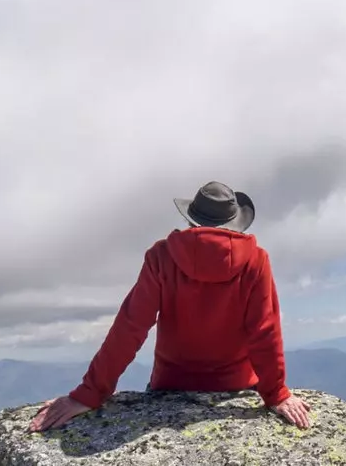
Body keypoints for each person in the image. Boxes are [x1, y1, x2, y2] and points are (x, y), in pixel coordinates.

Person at [29, 181, 312, 432]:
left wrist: (89, 393)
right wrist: (276, 394)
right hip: (236, 385)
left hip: (170, 384)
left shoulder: (162, 256)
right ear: (234, 223)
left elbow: (131, 327)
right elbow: (264, 330)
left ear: (192, 218)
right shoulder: (255, 260)